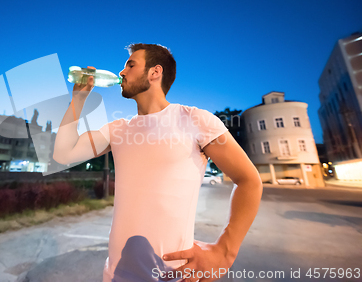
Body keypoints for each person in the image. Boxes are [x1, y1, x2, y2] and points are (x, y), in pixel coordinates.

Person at [53, 43, 263, 282]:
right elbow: (63, 153)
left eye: (130, 65)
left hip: (172, 277)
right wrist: (78, 99)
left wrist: (225, 252)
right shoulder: (118, 129)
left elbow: (249, 181)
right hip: (114, 276)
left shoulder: (196, 119)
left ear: (155, 72)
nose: (121, 73)